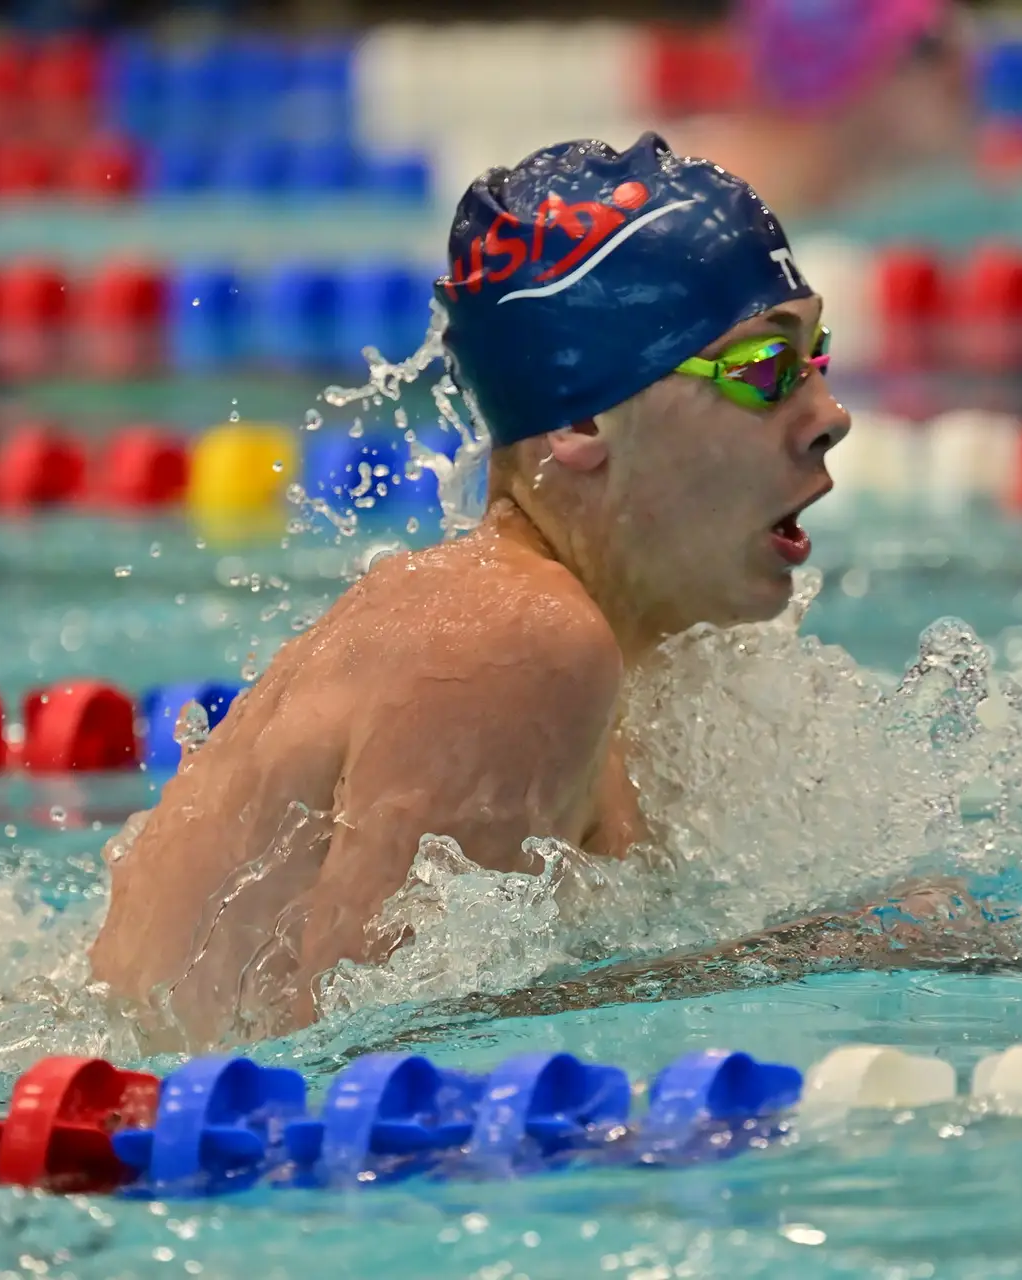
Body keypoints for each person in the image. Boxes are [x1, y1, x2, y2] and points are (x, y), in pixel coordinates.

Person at [89, 133, 858, 1050]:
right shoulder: (517, 638)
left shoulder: (621, 659)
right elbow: (361, 1055)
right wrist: (824, 954)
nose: (830, 418)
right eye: (764, 371)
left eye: (815, 360)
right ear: (581, 420)